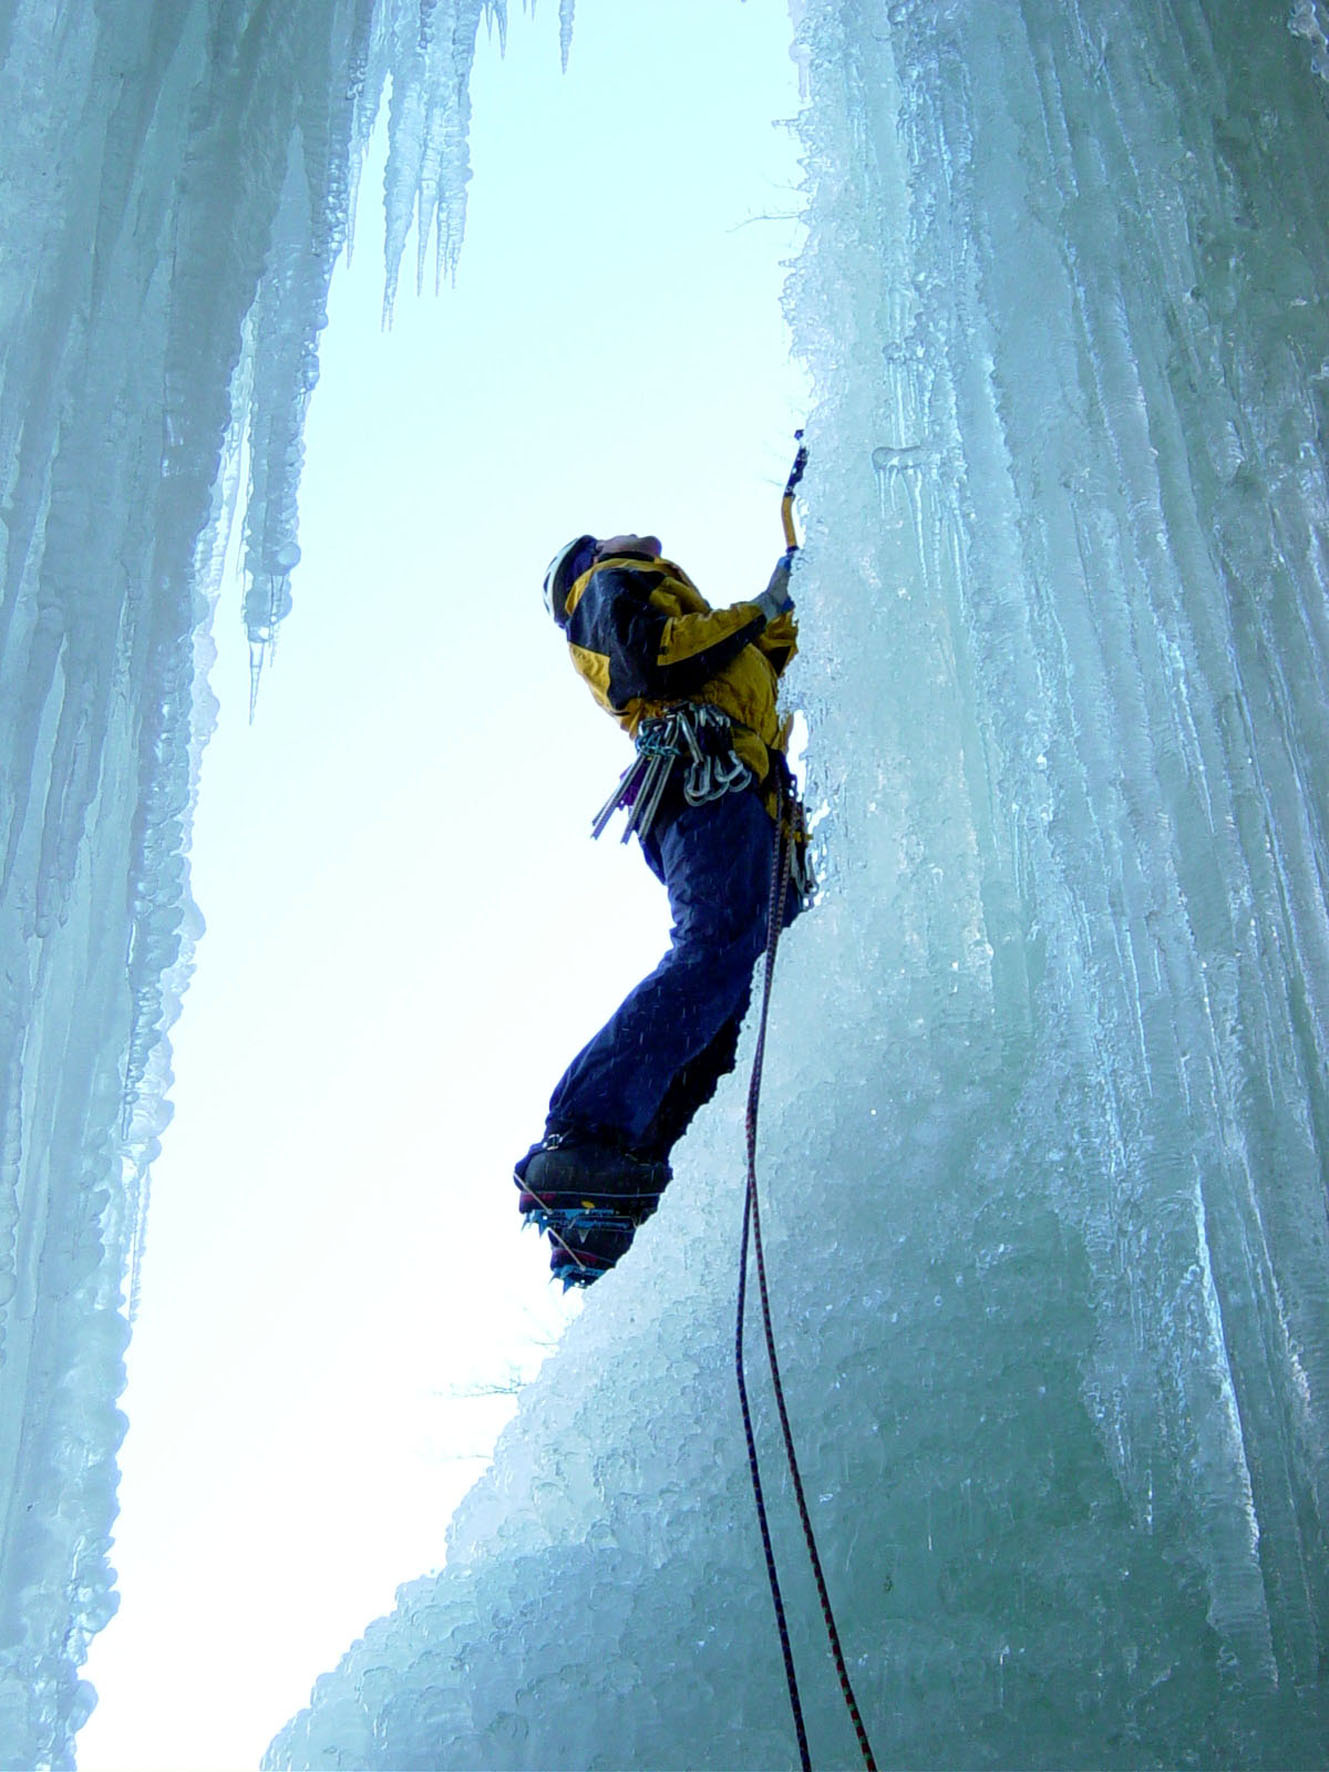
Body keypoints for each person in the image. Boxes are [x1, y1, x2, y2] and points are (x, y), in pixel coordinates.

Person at [515, 530, 803, 1286]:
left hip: (745, 793)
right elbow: (655, 658)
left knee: (737, 993)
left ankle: (632, 1171)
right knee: (715, 950)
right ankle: (583, 1134)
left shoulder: (698, 622)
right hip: (703, 777)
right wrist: (756, 608)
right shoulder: (607, 582)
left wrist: (786, 602)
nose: (639, 532)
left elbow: (757, 665)